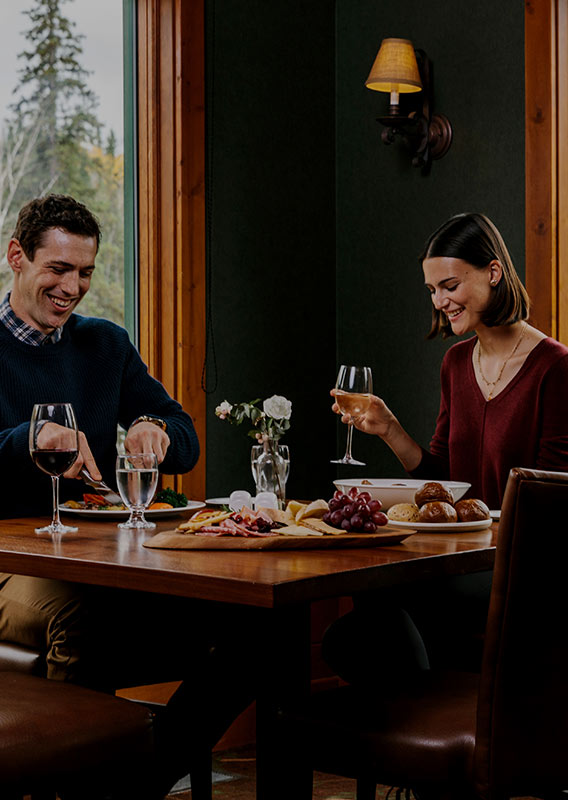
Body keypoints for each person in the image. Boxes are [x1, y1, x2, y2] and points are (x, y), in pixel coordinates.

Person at [0, 196, 257, 792]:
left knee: (253, 628)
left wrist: (157, 428)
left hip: (100, 558)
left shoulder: (105, 346)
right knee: (77, 616)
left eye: (85, 272)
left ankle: (129, 783)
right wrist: (27, 438)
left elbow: (185, 433)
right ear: (17, 257)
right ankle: (72, 781)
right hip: (10, 562)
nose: (72, 287)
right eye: (58, 269)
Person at [323, 212, 568, 682]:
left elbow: (553, 502)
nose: (439, 302)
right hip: (460, 561)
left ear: (493, 273)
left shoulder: (554, 367)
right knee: (358, 619)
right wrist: (390, 429)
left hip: (522, 571)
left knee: (376, 606)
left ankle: (429, 720)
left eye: (450, 286)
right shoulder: (456, 364)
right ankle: (431, 716)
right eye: (432, 291)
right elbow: (443, 483)